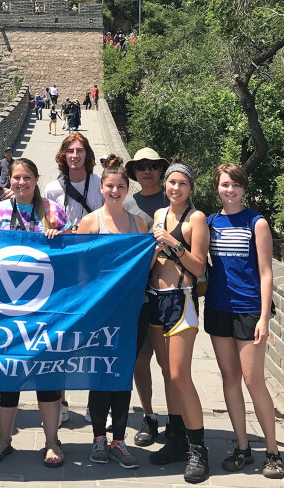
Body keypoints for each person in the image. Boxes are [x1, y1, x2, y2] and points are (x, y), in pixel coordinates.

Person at [0, 158, 70, 468]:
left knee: (47, 373)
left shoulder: (53, 211)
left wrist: (61, 238)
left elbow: (74, 254)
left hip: (45, 308)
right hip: (6, 308)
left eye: (27, 177)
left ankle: (51, 441)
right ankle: (4, 439)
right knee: (6, 373)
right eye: (16, 177)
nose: (21, 182)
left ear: (36, 179)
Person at [205, 164, 284, 479]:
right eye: (225, 185)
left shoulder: (257, 222)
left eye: (236, 185)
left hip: (249, 309)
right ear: (217, 188)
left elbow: (266, 273)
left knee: (253, 381)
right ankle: (242, 447)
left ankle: (273, 451)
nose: (230, 190)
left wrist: (264, 317)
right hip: (218, 308)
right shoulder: (210, 222)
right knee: (229, 379)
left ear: (244, 189)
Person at [77, 155, 148, 469]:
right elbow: (78, 269)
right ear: (101, 188)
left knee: (121, 374)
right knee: (99, 372)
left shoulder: (138, 224)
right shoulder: (91, 222)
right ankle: (98, 438)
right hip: (101, 311)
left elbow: (144, 267)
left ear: (127, 188)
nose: (115, 190)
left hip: (132, 310)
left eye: (121, 186)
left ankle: (118, 440)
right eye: (110, 186)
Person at [148, 163, 210, 484]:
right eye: (171, 182)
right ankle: (175, 438)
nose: (175, 188)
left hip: (182, 300)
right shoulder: (159, 216)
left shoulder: (196, 219)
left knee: (179, 375)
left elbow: (199, 266)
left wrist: (172, 244)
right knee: (166, 376)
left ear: (190, 188)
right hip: (156, 299)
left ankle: (198, 448)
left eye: (182, 183)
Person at [123, 148, 171, 447]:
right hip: (139, 294)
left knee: (171, 365)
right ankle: (149, 416)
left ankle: (178, 419)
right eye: (141, 166)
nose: (147, 170)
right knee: (141, 361)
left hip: (170, 292)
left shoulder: (174, 198)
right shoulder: (128, 203)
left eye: (153, 165)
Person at [43, 132, 103, 229]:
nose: (75, 155)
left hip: (93, 241)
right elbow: (47, 224)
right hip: (65, 243)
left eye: (79, 150)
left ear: (86, 154)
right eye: (70, 151)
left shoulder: (100, 184)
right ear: (64, 155)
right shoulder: (51, 189)